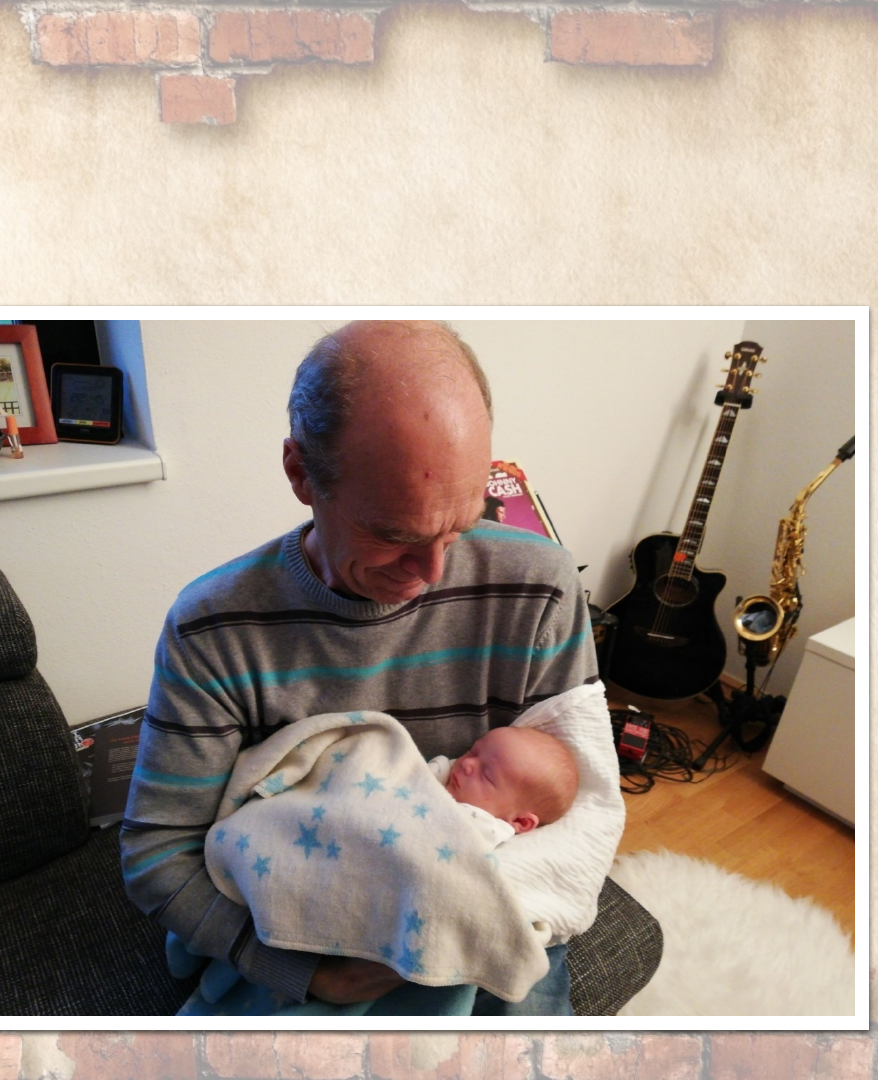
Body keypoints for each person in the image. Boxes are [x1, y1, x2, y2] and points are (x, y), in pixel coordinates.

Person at [120, 320, 598, 1012]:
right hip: (308, 928)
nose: (432, 573)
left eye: (461, 526)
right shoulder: (214, 628)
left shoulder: (541, 586)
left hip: (484, 914)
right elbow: (157, 852)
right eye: (394, 535)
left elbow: (576, 810)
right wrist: (309, 973)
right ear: (300, 473)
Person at [430, 725, 579, 847]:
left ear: (520, 821)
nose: (467, 763)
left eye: (487, 776)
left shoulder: (483, 829)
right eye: (473, 752)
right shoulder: (443, 771)